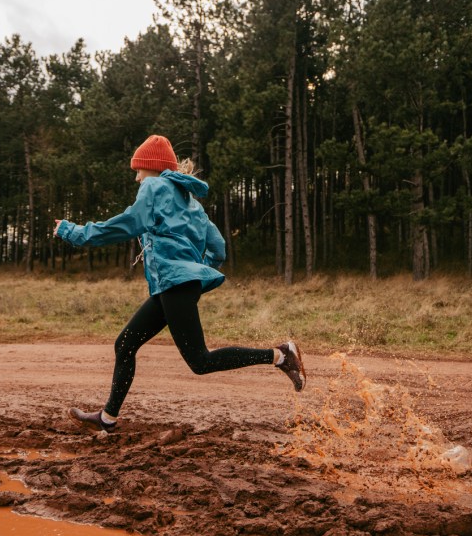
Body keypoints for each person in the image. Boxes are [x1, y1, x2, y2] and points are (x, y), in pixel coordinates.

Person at [54, 134, 305, 433]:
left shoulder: (153, 186)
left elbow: (129, 222)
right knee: (125, 344)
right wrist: (195, 272)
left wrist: (74, 232)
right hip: (172, 286)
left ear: (153, 167)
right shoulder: (191, 204)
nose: (136, 178)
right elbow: (219, 247)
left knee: (200, 361)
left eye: (138, 170)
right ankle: (107, 418)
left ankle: (279, 355)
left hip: (174, 284)